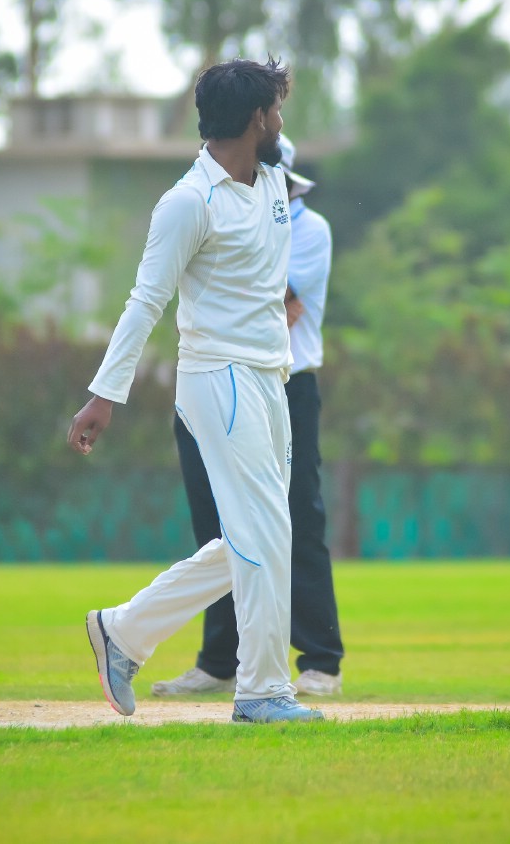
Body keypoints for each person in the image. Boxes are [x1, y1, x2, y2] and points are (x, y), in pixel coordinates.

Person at [66, 57, 323, 725]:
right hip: (218, 379)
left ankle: (123, 631)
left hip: (270, 377)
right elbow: (145, 301)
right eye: (276, 109)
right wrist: (104, 395)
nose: (282, 120)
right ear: (256, 119)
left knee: (257, 534)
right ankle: (262, 692)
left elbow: (270, 257)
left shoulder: (272, 180)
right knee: (263, 533)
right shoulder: (188, 202)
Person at [151, 133, 345, 698]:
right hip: (215, 380)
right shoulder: (215, 208)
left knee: (296, 517)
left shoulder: (307, 227)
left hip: (285, 383)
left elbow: (279, 306)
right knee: (215, 523)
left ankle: (320, 660)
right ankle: (220, 661)